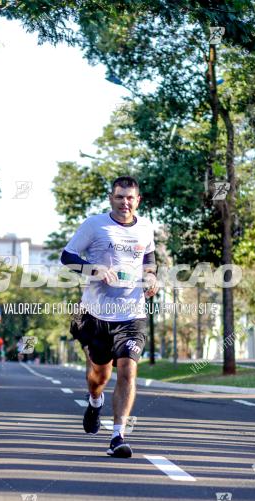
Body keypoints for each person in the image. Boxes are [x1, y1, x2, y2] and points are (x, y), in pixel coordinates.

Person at [61, 176, 157, 458]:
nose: (125, 202)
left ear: (137, 200)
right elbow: (67, 257)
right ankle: (94, 401)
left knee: (127, 369)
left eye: (130, 197)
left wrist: (151, 278)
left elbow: (149, 259)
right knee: (98, 376)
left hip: (132, 313)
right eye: (119, 197)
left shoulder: (146, 228)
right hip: (97, 314)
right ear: (111, 198)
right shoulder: (94, 225)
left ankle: (117, 436)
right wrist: (95, 270)